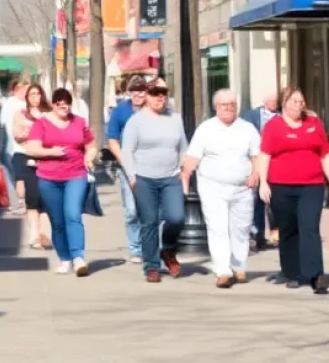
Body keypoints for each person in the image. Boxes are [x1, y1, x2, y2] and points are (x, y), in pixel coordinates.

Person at [258, 87, 329, 293]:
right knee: (288, 229)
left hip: (311, 186)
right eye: (294, 101)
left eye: (301, 101)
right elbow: (265, 155)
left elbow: (325, 154)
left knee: (310, 228)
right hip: (280, 186)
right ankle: (292, 272)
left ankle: (315, 275)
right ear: (284, 103)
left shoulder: (314, 124)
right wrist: (263, 183)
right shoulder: (273, 127)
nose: (298, 105)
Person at [181, 89, 260, 288]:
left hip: (242, 188)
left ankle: (239, 266)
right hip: (213, 187)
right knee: (218, 228)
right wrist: (185, 179)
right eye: (224, 105)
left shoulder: (248, 129)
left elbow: (256, 155)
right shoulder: (206, 129)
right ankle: (222, 270)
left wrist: (256, 174)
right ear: (216, 107)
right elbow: (192, 158)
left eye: (232, 104)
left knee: (241, 229)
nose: (228, 108)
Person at [22, 88, 96, 276]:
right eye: (59, 102)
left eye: (67, 102)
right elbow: (31, 148)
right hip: (48, 178)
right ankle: (65, 258)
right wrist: (51, 152)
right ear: (53, 104)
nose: (63, 105)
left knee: (73, 215)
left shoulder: (79, 122)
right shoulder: (42, 123)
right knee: (57, 221)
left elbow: (91, 145)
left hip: (75, 174)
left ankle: (78, 257)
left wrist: (89, 156)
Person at [121, 78, 187, 283]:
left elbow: (183, 147)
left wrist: (183, 173)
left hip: (171, 177)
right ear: (147, 97)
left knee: (176, 217)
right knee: (148, 222)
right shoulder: (136, 121)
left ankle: (167, 249)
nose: (160, 97)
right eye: (155, 93)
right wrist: (132, 177)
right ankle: (151, 266)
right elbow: (127, 151)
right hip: (144, 178)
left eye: (163, 93)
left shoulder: (175, 119)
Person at [106, 74, 148, 262]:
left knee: (150, 210)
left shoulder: (154, 109)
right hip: (127, 167)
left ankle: (151, 246)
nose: (139, 94)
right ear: (128, 92)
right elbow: (112, 139)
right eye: (135, 90)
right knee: (132, 211)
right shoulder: (120, 111)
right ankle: (135, 248)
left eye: (142, 90)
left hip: (151, 166)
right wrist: (124, 160)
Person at [13, 83, 52, 249]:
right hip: (26, 157)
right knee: (33, 196)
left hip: (47, 159)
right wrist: (35, 134)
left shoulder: (49, 114)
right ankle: (34, 235)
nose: (35, 97)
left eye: (38, 94)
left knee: (46, 198)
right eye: (32, 94)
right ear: (27, 97)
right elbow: (17, 135)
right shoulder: (20, 114)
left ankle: (45, 234)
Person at [241, 92, 279, 249]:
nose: (273, 103)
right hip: (255, 161)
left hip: (273, 162)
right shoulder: (250, 115)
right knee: (256, 199)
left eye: (276, 101)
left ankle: (276, 231)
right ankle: (258, 234)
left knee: (273, 198)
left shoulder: (281, 117)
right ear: (264, 100)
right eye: (270, 100)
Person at [0, 76, 26, 213]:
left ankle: (20, 201)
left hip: (22, 146)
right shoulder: (11, 103)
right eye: (23, 89)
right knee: (15, 174)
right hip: (12, 145)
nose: (25, 91)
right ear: (16, 90)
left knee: (18, 175)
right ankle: (18, 201)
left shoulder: (24, 103)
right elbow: (2, 126)